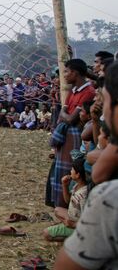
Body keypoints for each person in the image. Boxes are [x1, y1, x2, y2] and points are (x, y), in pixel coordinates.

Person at [47, 59, 96, 208]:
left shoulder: (88, 92)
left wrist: (64, 112)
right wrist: (65, 114)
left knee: (70, 169)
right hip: (66, 135)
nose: (65, 75)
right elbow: (66, 116)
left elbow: (69, 118)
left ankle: (69, 206)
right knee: (60, 170)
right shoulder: (72, 91)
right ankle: (60, 204)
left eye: (66, 72)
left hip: (75, 135)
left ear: (75, 73)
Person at [43, 158, 88, 242]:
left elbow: (87, 219)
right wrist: (64, 185)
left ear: (78, 174)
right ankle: (68, 226)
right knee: (57, 210)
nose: (70, 171)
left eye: (72, 170)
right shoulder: (77, 186)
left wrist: (74, 224)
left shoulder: (83, 195)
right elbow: (67, 201)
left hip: (79, 225)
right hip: (73, 218)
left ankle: (77, 238)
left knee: (46, 234)